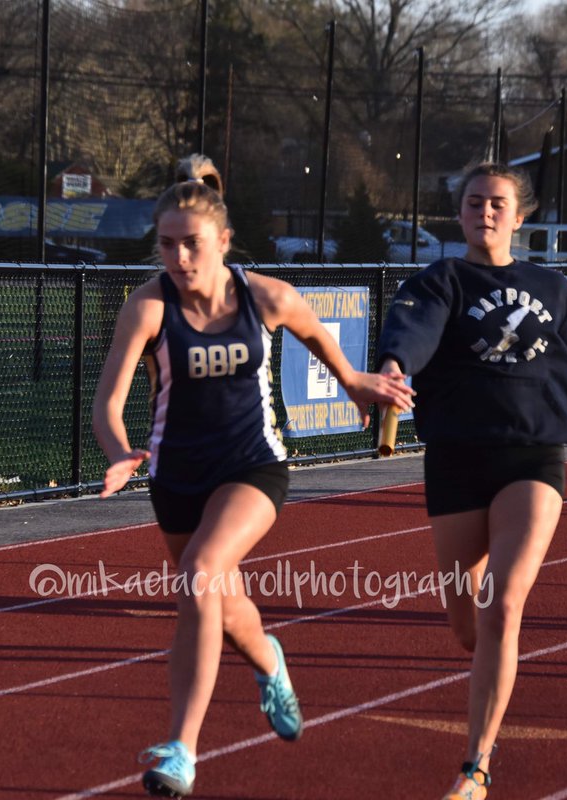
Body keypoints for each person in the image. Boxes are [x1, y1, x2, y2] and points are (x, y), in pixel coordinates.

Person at [92, 154, 414, 798]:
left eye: (193, 245)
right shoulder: (148, 309)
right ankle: (270, 659)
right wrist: (121, 452)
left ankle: (181, 750)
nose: (179, 258)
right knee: (224, 604)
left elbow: (321, 342)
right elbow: (107, 401)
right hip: (176, 477)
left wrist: (357, 383)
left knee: (200, 576)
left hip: (252, 468)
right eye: (167, 245)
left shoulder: (265, 296)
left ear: (223, 242)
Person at [375, 162, 567, 800]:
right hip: (454, 459)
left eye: (497, 203)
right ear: (460, 213)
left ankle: (476, 766)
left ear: (520, 215)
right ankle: (492, 669)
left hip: (533, 458)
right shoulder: (439, 280)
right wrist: (395, 367)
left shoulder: (551, 288)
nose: (485, 212)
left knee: (503, 606)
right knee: (464, 621)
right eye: (474, 202)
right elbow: (410, 334)